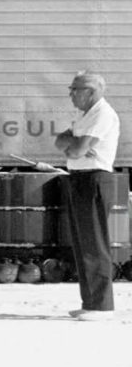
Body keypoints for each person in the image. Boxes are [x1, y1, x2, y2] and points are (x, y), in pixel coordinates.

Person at [55, 71, 120, 321]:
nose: (71, 94)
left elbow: (77, 148)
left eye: (75, 89)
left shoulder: (103, 114)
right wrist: (75, 145)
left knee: (94, 242)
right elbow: (62, 142)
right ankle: (90, 301)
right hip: (80, 176)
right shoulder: (84, 115)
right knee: (82, 242)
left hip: (94, 178)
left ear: (90, 92)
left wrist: (75, 146)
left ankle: (102, 306)